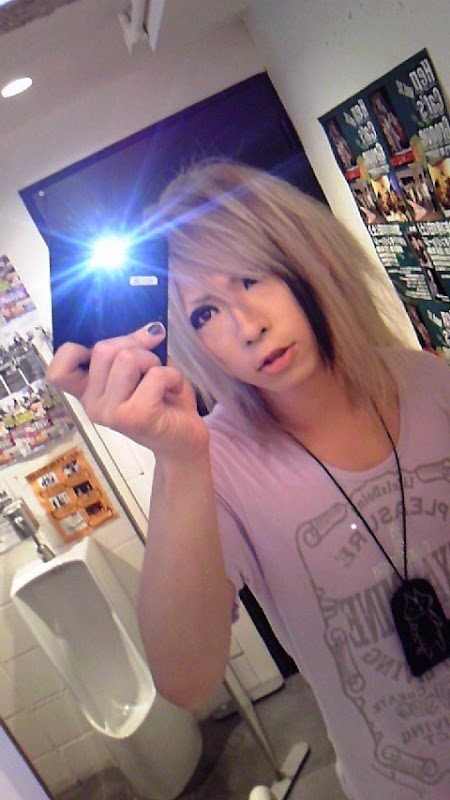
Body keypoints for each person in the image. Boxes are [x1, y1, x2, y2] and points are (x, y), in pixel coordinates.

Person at [47, 160, 450, 800]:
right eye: (205, 312)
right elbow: (185, 680)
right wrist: (179, 460)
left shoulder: (427, 381)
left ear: (303, 258)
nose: (247, 326)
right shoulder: (216, 466)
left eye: (251, 278)